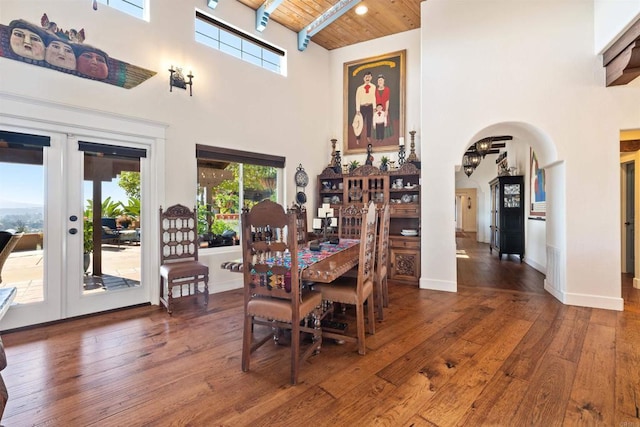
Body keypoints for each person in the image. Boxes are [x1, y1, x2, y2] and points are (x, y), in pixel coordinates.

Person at [354, 71, 376, 144]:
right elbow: (357, 99)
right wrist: (357, 110)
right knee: (360, 123)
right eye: (366, 77)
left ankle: (368, 136)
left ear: (371, 78)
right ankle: (358, 137)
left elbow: (374, 98)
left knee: (369, 122)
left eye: (369, 77)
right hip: (362, 108)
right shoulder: (359, 88)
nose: (367, 78)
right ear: (363, 78)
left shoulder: (373, 87)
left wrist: (374, 108)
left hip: (370, 107)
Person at [375, 74, 394, 139]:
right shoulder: (375, 90)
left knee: (386, 121)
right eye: (379, 80)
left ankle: (385, 136)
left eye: (381, 80)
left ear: (384, 81)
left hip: (384, 108)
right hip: (377, 109)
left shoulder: (387, 89)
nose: (380, 81)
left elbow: (387, 100)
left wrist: (386, 110)